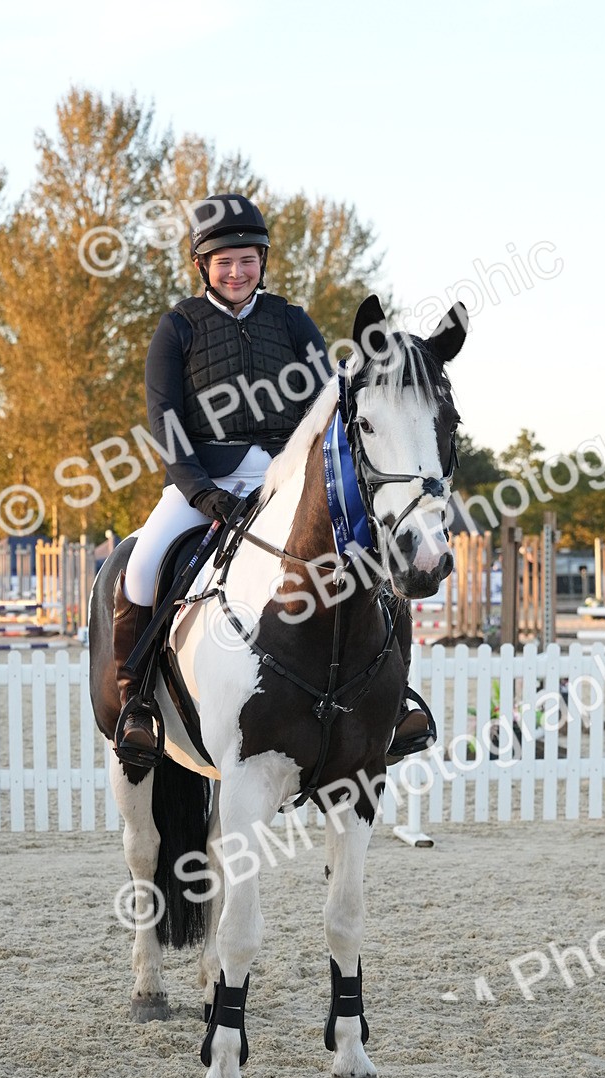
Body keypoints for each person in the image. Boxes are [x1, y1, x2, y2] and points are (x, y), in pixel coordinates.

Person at [113, 192, 431, 764]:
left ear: (262, 260)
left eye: (247, 259)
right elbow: (166, 422)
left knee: (375, 557)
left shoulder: (290, 321)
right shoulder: (177, 328)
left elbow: (330, 401)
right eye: (224, 261)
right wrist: (201, 493)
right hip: (203, 482)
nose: (237, 271)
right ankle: (135, 702)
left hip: (285, 481)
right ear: (203, 266)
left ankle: (399, 696)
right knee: (140, 567)